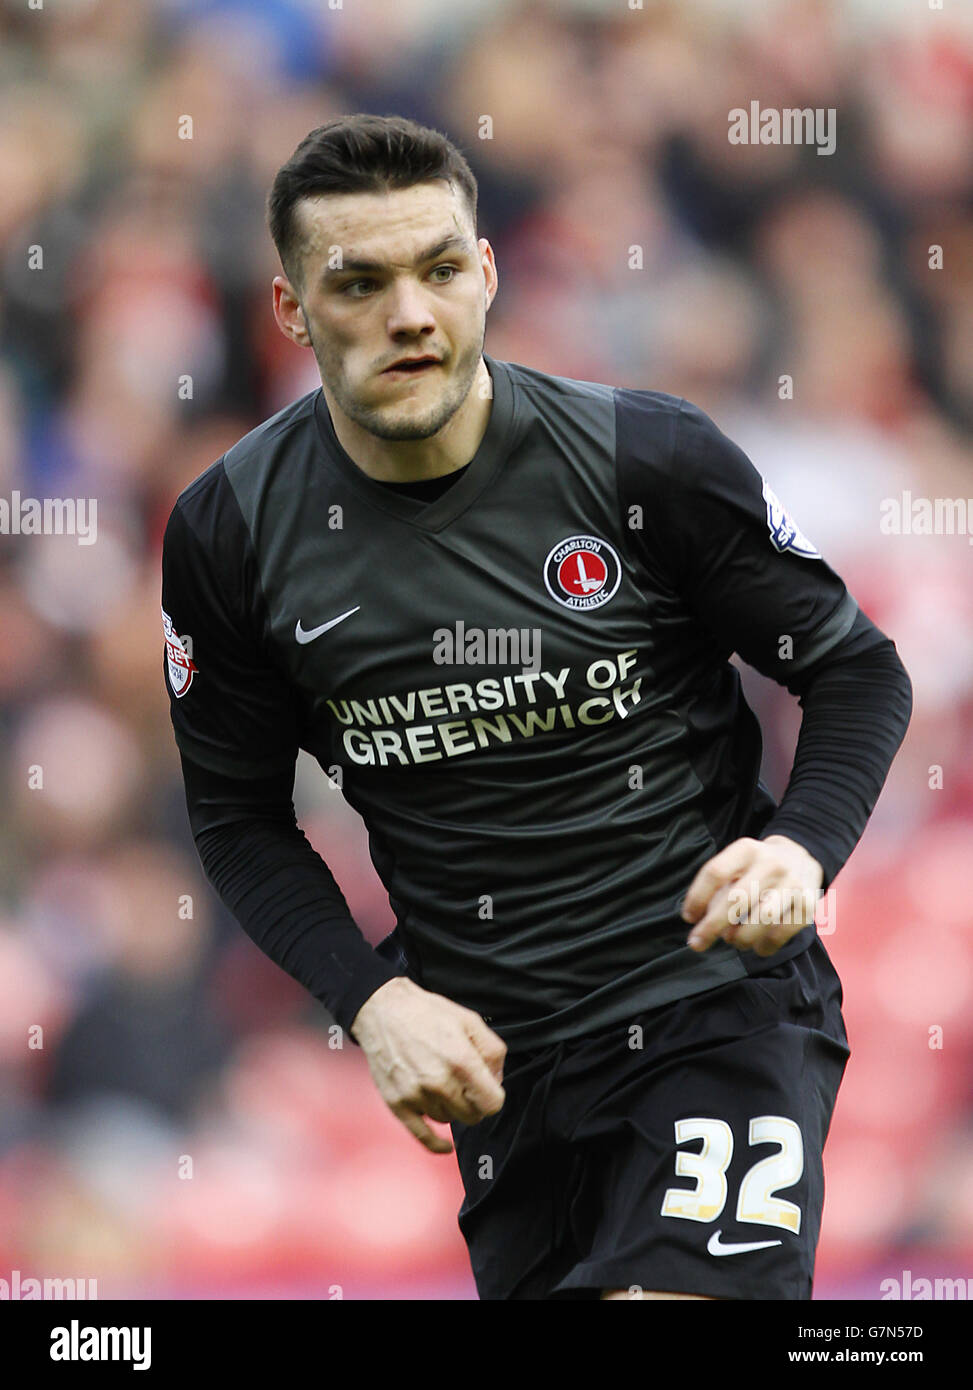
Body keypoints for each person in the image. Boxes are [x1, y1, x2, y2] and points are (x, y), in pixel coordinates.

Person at [161, 113, 913, 1300]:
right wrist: (372, 1003)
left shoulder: (640, 462)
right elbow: (238, 819)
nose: (410, 312)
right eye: (359, 282)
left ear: (487, 275)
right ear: (292, 311)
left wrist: (798, 848)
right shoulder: (232, 534)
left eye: (440, 269)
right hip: (505, 1074)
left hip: (714, 1009)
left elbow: (856, 667)